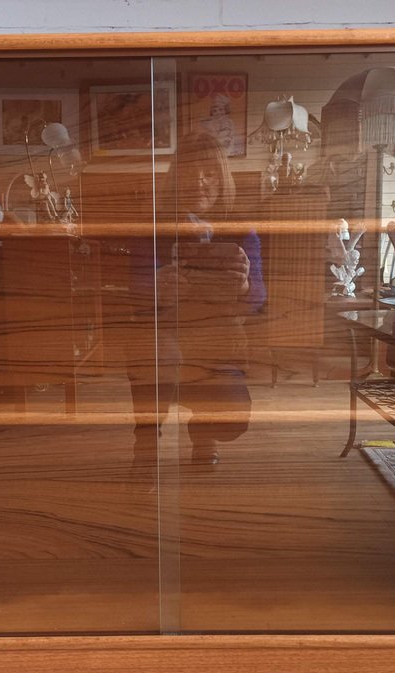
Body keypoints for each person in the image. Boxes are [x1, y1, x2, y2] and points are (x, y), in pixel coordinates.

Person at [127, 131, 265, 469]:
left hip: (218, 340)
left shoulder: (242, 231)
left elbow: (260, 299)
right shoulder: (153, 228)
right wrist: (155, 286)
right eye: (189, 173)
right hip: (163, 334)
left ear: (222, 177)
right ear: (176, 179)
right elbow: (133, 291)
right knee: (152, 356)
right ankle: (145, 442)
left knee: (233, 420)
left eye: (209, 173)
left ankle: (204, 430)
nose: (199, 182)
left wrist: (246, 283)